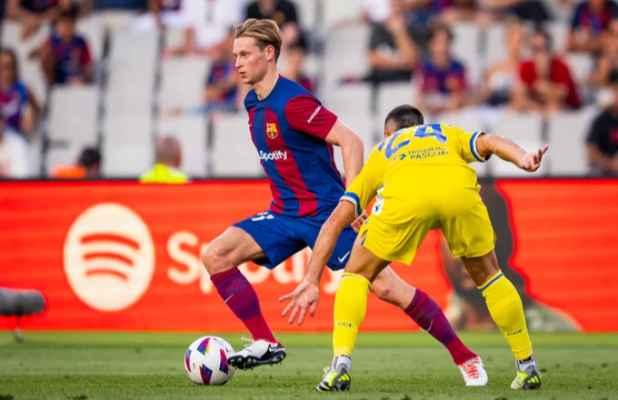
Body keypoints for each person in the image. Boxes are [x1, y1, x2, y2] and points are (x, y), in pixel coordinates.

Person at [201, 19, 486, 386]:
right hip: (284, 212)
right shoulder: (252, 102)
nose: (236, 62)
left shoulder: (295, 101)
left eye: (244, 54)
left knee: (388, 289)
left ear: (268, 54)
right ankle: (265, 341)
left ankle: (466, 357)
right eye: (234, 54)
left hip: (326, 214)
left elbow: (350, 142)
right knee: (215, 255)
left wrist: (353, 201)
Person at [282, 104, 548, 392]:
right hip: (457, 193)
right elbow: (490, 141)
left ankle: (340, 364)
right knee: (491, 276)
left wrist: (311, 277)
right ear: (421, 125)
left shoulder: (385, 148)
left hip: (406, 201)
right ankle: (527, 366)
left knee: (356, 274)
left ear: (388, 132)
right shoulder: (446, 133)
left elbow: (335, 221)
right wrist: (523, 157)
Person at [0, 48, 41, 137]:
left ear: (15, 68)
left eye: (8, 66)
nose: (4, 71)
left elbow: (37, 109)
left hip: (16, 138)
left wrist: (32, 116)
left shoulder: (23, 89)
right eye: (1, 66)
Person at [586, 69, 618, 175]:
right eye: (615, 91)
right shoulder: (600, 121)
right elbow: (591, 152)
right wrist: (610, 164)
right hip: (606, 175)